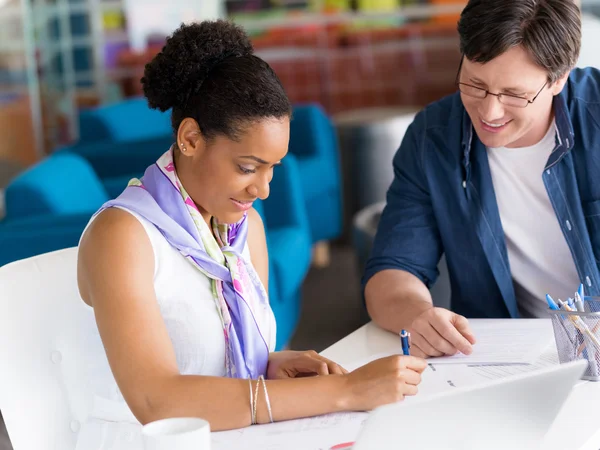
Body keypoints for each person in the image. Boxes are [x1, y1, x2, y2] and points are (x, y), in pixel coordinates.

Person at [76, 20, 426, 448]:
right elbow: (158, 401)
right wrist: (343, 392)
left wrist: (272, 366)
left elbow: (211, 362)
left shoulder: (243, 230)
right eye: (247, 167)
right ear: (189, 138)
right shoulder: (123, 236)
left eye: (272, 168)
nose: (262, 190)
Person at [364, 0, 598, 358]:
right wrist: (417, 315)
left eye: (514, 95)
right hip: (501, 360)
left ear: (559, 79)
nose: (489, 112)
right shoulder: (433, 137)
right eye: (475, 84)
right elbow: (393, 270)